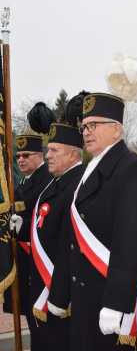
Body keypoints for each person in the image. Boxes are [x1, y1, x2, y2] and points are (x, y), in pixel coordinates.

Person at [48, 92, 137, 351]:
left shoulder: (133, 170)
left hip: (113, 299)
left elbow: (133, 242)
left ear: (116, 129)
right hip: (85, 296)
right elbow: (71, 240)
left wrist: (117, 302)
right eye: (84, 126)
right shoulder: (91, 169)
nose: (86, 132)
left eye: (94, 125)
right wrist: (59, 294)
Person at [27, 120, 84, 350]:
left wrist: (59, 293)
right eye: (47, 149)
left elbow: (70, 245)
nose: (47, 155)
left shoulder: (78, 185)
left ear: (72, 154)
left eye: (54, 150)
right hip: (43, 284)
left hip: (61, 290)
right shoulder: (54, 183)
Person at [3, 132, 51, 350]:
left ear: (40, 155)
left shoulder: (47, 180)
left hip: (38, 264)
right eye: (18, 156)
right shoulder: (25, 179)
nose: (20, 159)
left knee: (41, 323)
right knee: (33, 321)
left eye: (26, 155)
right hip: (25, 261)